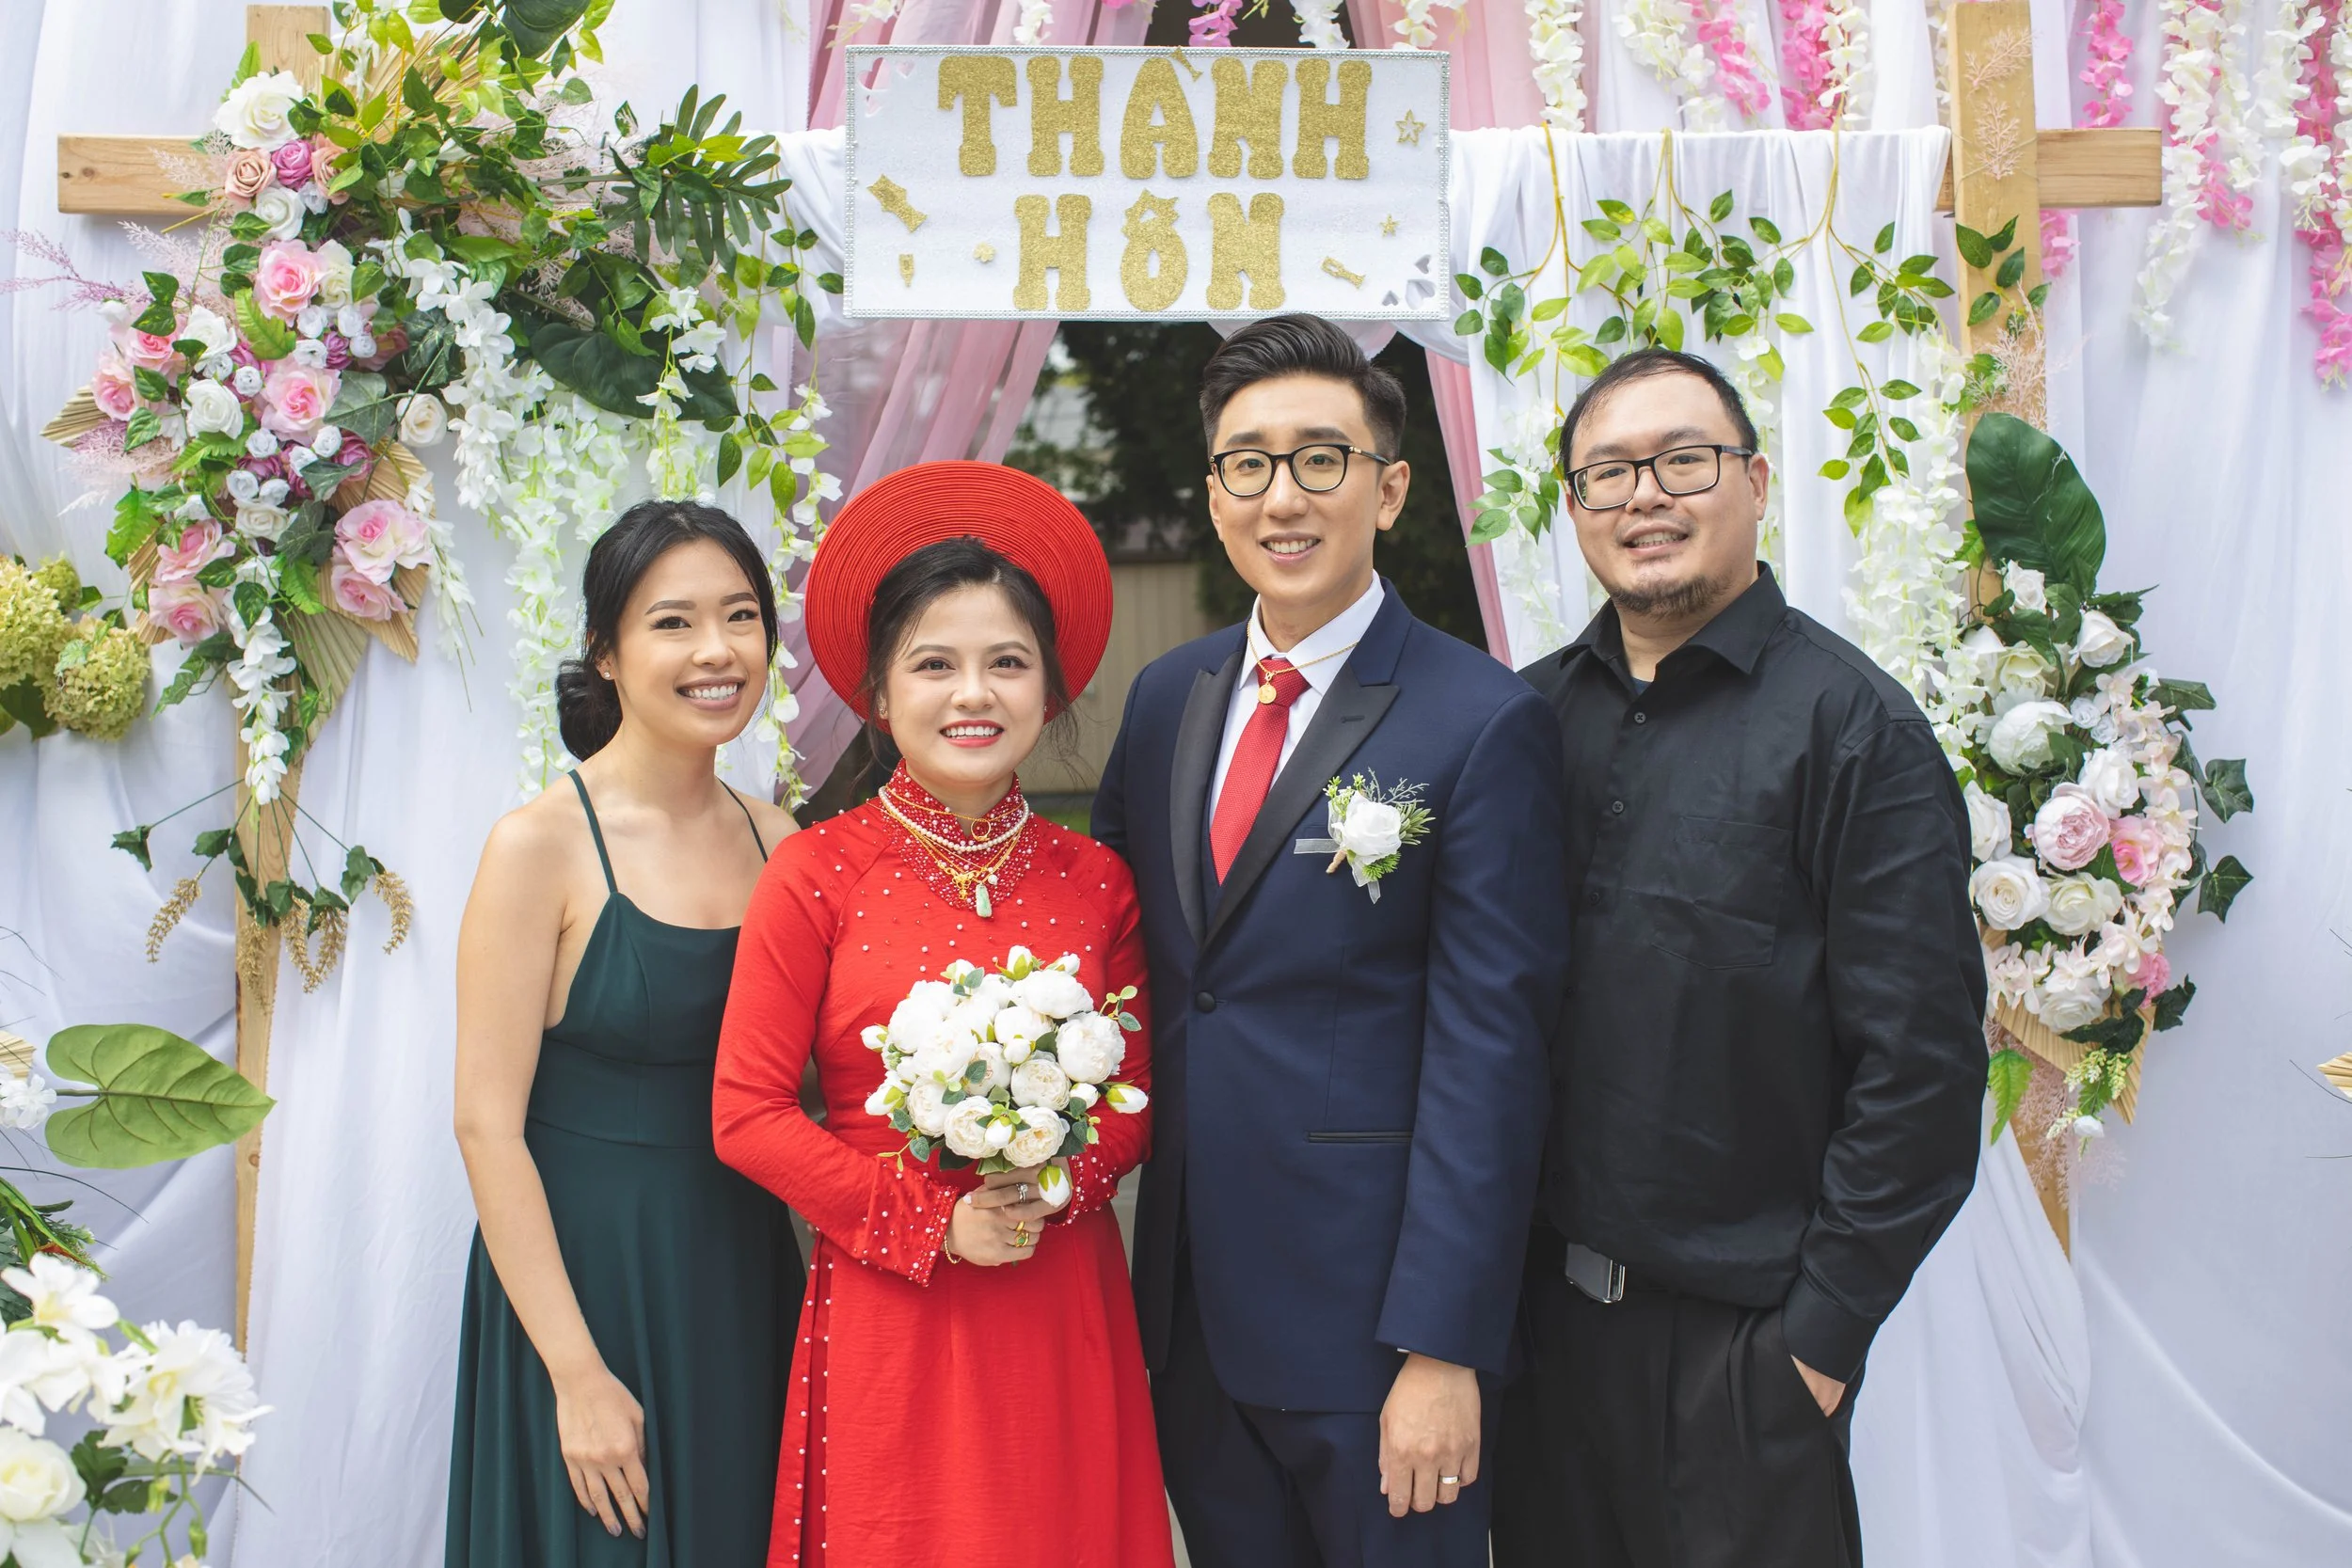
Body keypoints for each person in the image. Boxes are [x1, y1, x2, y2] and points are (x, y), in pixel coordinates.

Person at [1488, 348, 1989, 1568]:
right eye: (1608, 472)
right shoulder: (1523, 720)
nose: (1644, 496)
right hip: (1538, 1343)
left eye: (1683, 460)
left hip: (1740, 1356)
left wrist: (1813, 1344)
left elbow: (1922, 1072)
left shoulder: (1853, 730)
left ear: (1757, 483)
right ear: (1573, 506)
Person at [1092, 314, 1569, 1567]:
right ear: (1213, 494)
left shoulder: (1481, 719)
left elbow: (1492, 1057)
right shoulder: (1166, 698)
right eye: (1248, 463)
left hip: (1376, 1336)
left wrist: (1443, 1344)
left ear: (1389, 489)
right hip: (1193, 1316)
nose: (1282, 496)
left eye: (1320, 459)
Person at [712, 462, 1174, 1568]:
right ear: (877, 693)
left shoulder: (1095, 879)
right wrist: (928, 1220)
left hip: (1058, 1285)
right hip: (895, 1291)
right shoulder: (816, 871)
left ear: (1049, 690)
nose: (974, 693)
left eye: (1007, 662)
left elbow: (1133, 1099)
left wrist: (1046, 1188)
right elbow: (746, 1112)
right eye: (934, 664)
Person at [447, 500, 804, 1566]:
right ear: (605, 650)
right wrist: (575, 1372)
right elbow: (484, 1125)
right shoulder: (537, 845)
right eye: (673, 622)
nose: (716, 650)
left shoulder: (780, 839)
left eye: (740, 616)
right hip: (585, 1286)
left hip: (741, 1268)